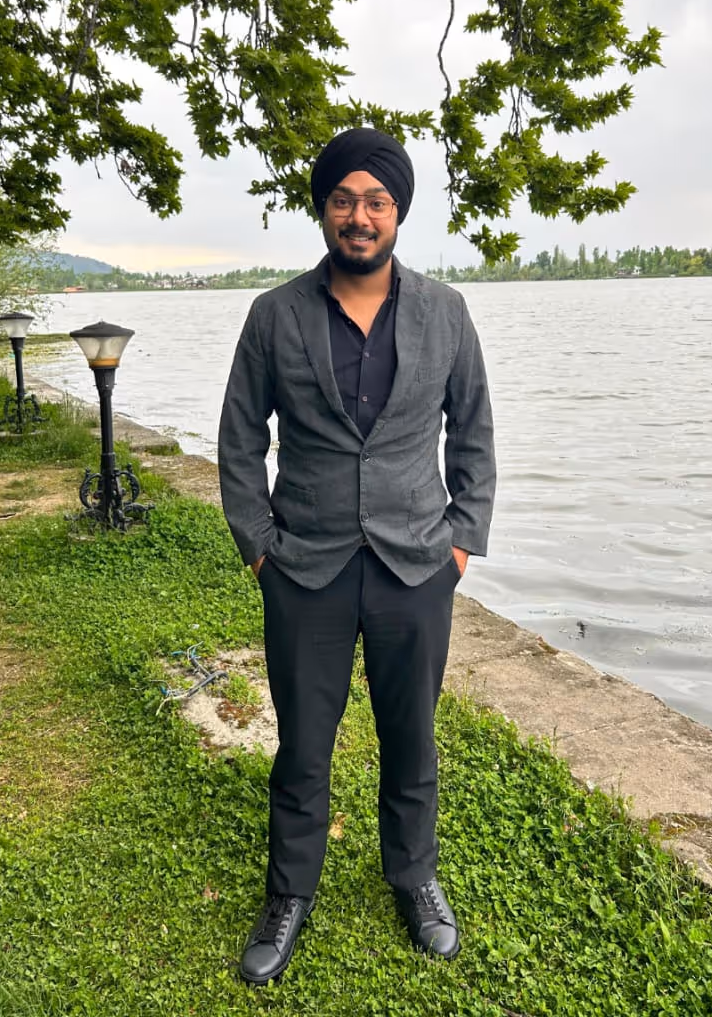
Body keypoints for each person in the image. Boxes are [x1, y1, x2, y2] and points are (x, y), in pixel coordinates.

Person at [218, 127, 496, 985]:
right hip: (307, 568)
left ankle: (415, 877)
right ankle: (289, 894)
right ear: (324, 210)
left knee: (411, 739)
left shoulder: (445, 311)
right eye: (344, 199)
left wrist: (460, 541)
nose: (360, 216)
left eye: (377, 200)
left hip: (418, 565)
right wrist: (261, 549)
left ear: (399, 212)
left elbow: (474, 431)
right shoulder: (276, 316)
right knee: (303, 745)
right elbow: (238, 440)